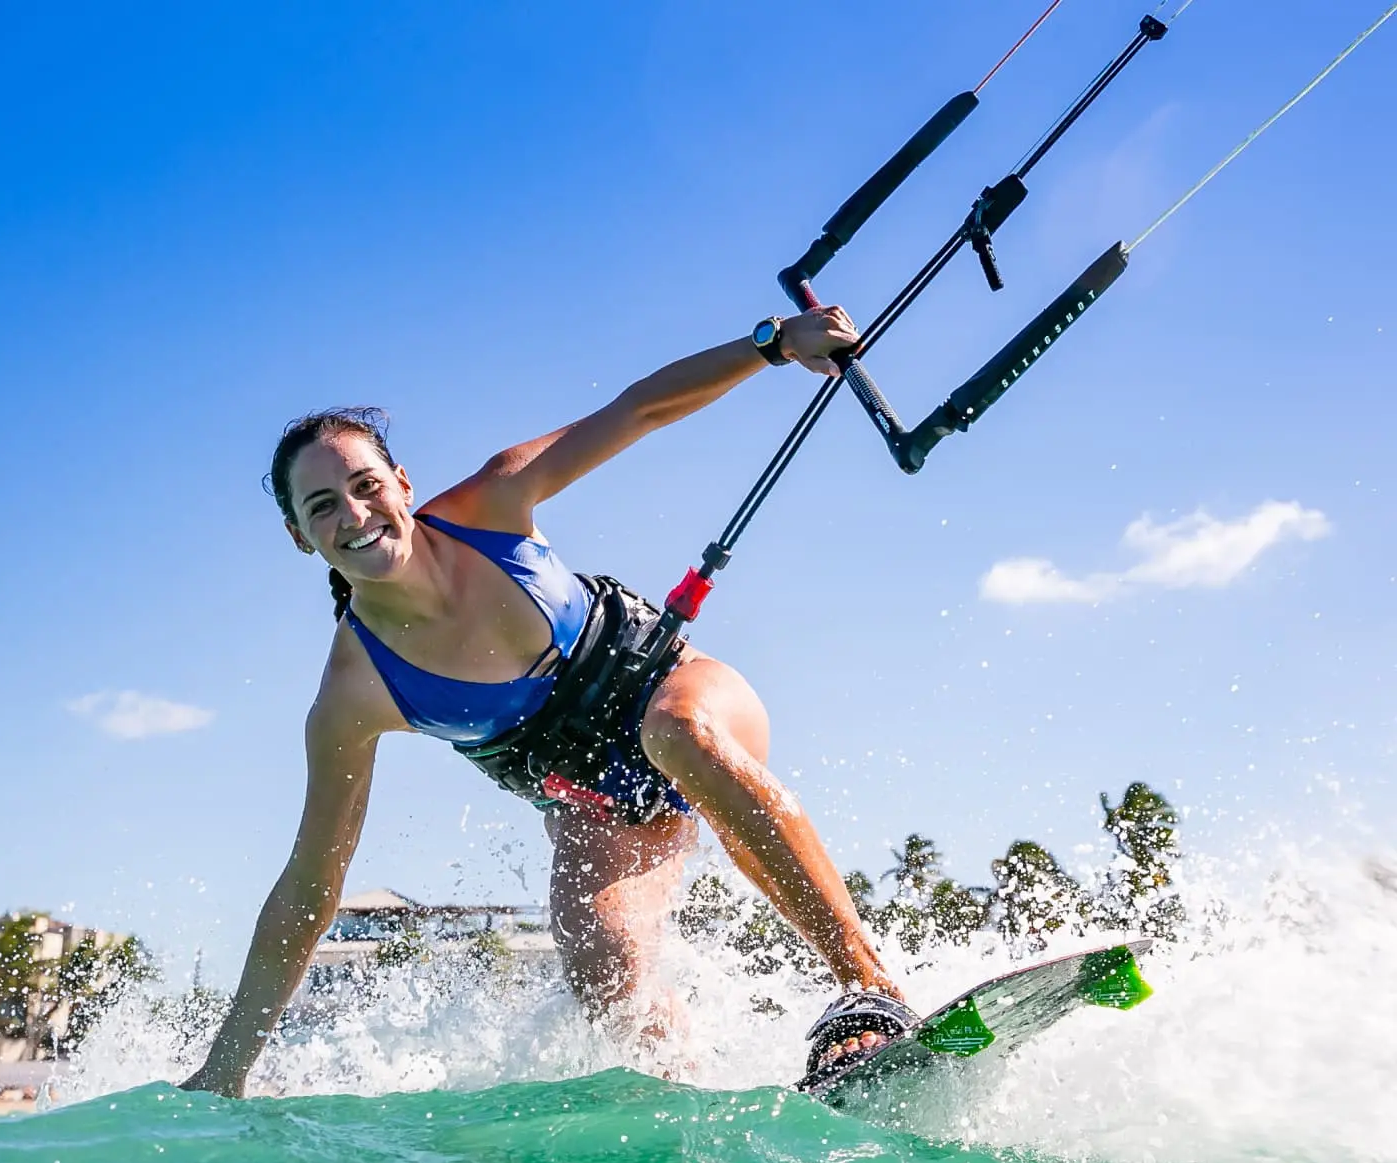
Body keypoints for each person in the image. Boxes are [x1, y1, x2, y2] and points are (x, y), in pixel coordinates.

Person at [182, 309, 916, 1097]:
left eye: (365, 487)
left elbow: (636, 409)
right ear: (300, 535)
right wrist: (226, 1069)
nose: (354, 516)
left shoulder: (490, 506)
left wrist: (772, 345)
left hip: (683, 694)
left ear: (402, 485)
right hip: (599, 799)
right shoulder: (355, 693)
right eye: (322, 506)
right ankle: (701, 1122)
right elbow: (309, 887)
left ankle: (873, 994)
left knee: (676, 731)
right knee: (603, 968)